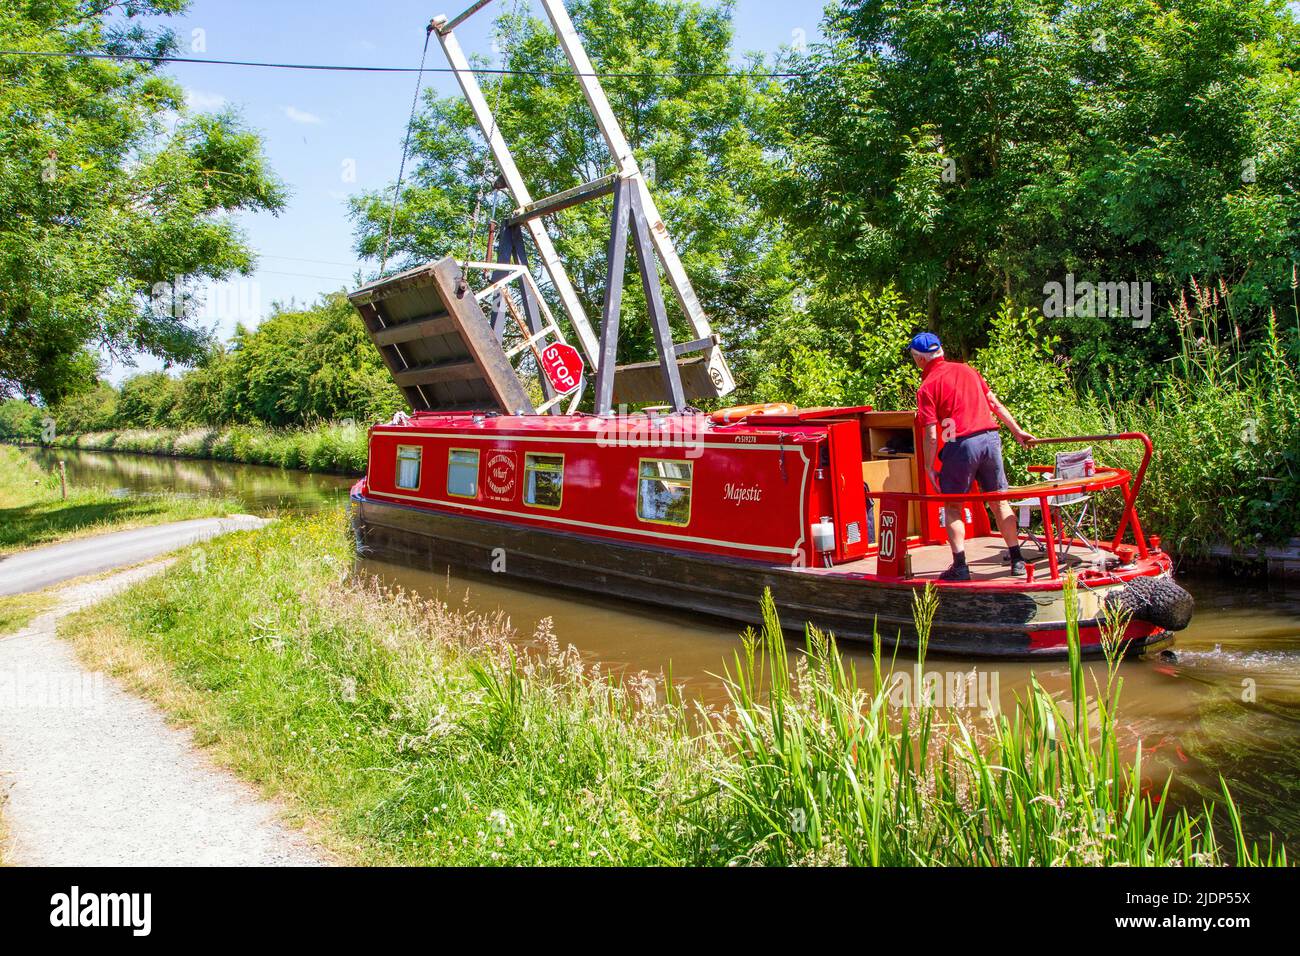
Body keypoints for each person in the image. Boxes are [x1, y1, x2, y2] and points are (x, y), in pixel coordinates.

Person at [908, 332, 1035, 582]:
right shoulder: (968, 370)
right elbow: (994, 403)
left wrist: (928, 466)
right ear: (941, 351)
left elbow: (932, 434)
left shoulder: (926, 387)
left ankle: (961, 566)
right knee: (999, 500)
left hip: (961, 444)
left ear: (919, 359)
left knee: (953, 505)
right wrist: (1017, 431)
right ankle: (1017, 560)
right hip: (990, 439)